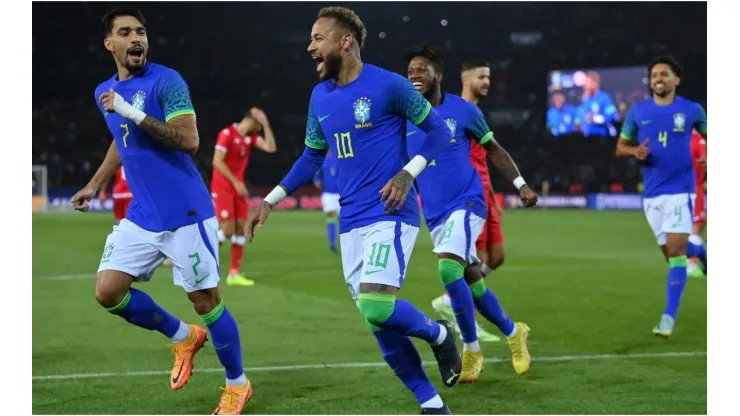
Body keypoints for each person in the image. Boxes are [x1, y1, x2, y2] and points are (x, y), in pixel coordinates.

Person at [245, 7, 461, 414]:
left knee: (376, 305)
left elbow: (439, 131)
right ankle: (431, 404)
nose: (310, 46)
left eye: (317, 38)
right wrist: (269, 200)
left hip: (389, 212)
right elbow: (311, 156)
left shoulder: (389, 86)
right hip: (351, 223)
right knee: (378, 323)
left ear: (344, 41)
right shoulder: (319, 96)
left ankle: (438, 334)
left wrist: (406, 174)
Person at [69, 7, 251, 414]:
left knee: (206, 301)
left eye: (141, 32)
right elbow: (122, 138)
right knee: (108, 291)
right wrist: (95, 184)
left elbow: (189, 140)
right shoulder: (106, 92)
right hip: (143, 215)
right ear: (109, 43)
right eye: (125, 32)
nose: (136, 38)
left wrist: (129, 109)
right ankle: (184, 336)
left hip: (185, 212)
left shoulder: (167, 82)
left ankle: (237, 384)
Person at [406, 43, 536, 383]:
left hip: (467, 202)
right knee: (471, 282)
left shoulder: (462, 111)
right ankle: (513, 331)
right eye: (410, 71)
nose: (414, 75)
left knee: (449, 270)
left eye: (421, 69)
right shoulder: (404, 118)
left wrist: (521, 184)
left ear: (438, 75)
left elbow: (494, 151)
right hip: (434, 214)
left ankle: (471, 349)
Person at [615, 56, 707, 338]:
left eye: (664, 74)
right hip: (652, 194)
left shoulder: (691, 110)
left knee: (677, 254)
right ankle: (702, 252)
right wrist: (635, 152)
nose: (658, 78)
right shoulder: (637, 111)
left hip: (681, 190)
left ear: (676, 80)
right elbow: (621, 147)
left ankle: (668, 317)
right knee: (670, 254)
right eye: (654, 74)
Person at [211, 108, 277, 286]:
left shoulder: (251, 138)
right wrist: (235, 182)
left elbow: (271, 148)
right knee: (228, 229)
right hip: (223, 186)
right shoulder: (227, 134)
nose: (260, 129)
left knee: (242, 227)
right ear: (252, 120)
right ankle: (203, 258)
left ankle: (234, 274)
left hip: (238, 189)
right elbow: (217, 161)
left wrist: (266, 124)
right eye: (259, 124)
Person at [687, 129, 707, 279]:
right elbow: (704, 160)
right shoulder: (697, 140)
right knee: (696, 226)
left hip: (682, 188)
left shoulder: (678, 139)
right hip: (695, 189)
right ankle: (691, 265)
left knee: (700, 222)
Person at [313, 149, 340, 253]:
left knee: (343, 221)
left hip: (342, 194)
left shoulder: (341, 158)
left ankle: (346, 244)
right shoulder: (322, 160)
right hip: (328, 194)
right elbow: (316, 175)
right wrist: (316, 181)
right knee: (331, 219)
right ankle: (333, 246)